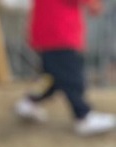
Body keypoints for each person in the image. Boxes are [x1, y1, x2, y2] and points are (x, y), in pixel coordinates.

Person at [14, 0, 116, 136]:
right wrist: (92, 3)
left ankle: (29, 102)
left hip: (47, 29)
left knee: (50, 76)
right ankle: (83, 116)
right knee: (72, 76)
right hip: (61, 31)